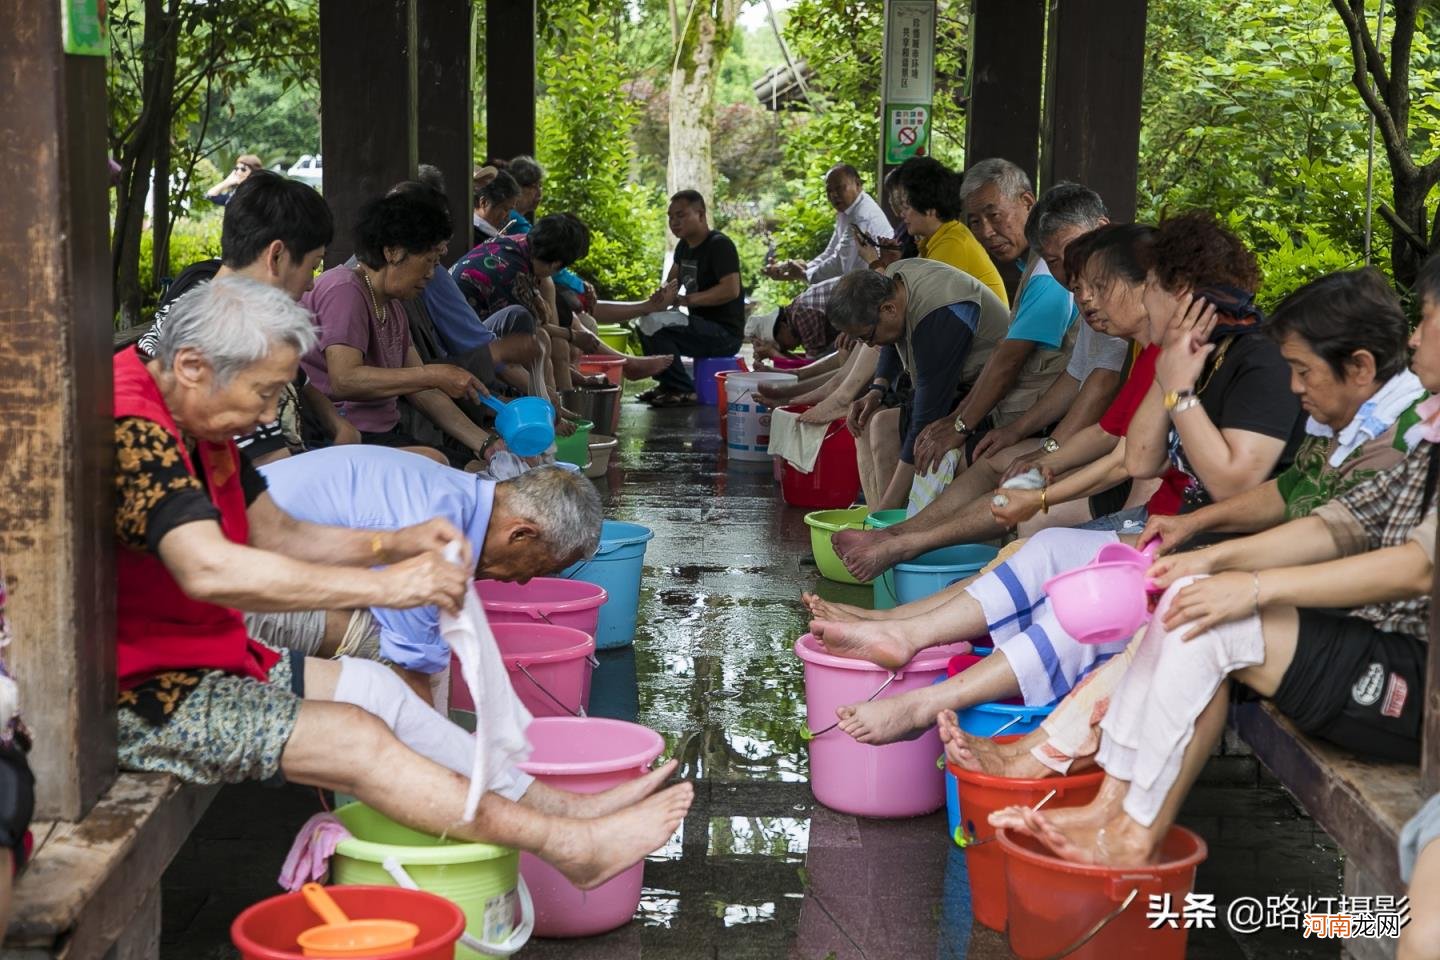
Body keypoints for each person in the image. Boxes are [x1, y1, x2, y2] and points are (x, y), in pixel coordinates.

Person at [114, 275, 693, 891]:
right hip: (134, 690)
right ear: (193, 365)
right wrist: (388, 587)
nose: (265, 416)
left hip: (192, 649)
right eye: (262, 393)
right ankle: (569, 845)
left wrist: (396, 545)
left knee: (375, 693)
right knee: (357, 741)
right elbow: (208, 567)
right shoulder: (136, 430)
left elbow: (279, 533)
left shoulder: (198, 419)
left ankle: (566, 809)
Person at [988, 260, 1440, 867]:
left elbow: (1417, 569)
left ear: (1358, 367)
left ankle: (1133, 828)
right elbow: (1339, 524)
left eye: (1430, 320)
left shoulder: (1405, 429)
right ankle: (1112, 807)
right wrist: (1209, 556)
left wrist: (1246, 586)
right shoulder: (1422, 432)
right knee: (1184, 600)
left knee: (1205, 625)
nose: (1416, 336)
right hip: (1382, 640)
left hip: (1414, 676)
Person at [806, 212, 1305, 746]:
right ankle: (904, 631)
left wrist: (1177, 391)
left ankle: (927, 702)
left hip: (1215, 549)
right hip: (1178, 533)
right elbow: (1138, 455)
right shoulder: (1184, 357)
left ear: (1179, 292)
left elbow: (1228, 483)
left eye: (1141, 287)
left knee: (1083, 594)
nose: (1088, 298)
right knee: (1044, 548)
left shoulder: (1256, 358)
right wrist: (1048, 477)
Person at [834, 188, 1126, 579]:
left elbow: (1100, 394)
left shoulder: (1117, 296)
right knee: (992, 461)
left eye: (994, 214)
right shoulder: (1091, 292)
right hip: (1103, 440)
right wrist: (1016, 433)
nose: (1073, 277)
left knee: (1021, 488)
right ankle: (898, 536)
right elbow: (1078, 377)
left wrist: (1049, 451)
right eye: (1058, 261)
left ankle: (901, 541)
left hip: (1113, 452)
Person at [258, 446, 601, 693]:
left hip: (272, 556)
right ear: (521, 534)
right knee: (385, 648)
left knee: (430, 636)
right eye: (539, 566)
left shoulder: (456, 491)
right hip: (235, 586)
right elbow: (413, 671)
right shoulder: (435, 535)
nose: (526, 580)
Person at [138, 170, 353, 464]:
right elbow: (269, 472)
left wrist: (337, 423)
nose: (311, 283)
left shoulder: (228, 309)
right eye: (313, 265)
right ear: (276, 256)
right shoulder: (224, 332)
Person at [301, 188, 502, 468]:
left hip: (386, 437)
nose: (432, 274)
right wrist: (433, 373)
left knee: (480, 469)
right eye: (428, 261)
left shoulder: (394, 306)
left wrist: (486, 444)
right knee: (454, 471)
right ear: (393, 252)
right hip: (344, 440)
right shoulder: (344, 289)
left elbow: (424, 391)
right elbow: (344, 379)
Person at [907, 174, 1091, 479]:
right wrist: (957, 420)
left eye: (994, 215)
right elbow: (1072, 373)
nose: (987, 232)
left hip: (1039, 421)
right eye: (976, 221)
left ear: (1027, 203)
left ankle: (895, 523)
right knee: (911, 434)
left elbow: (1009, 360)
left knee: (951, 461)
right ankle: (891, 523)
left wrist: (961, 427)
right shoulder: (1039, 265)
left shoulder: (1050, 274)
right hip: (1019, 418)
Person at [831, 259, 1012, 511]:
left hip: (997, 400)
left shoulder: (939, 316)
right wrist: (878, 388)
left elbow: (925, 418)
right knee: (878, 422)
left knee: (908, 437)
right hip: (961, 390)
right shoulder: (893, 281)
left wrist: (886, 511)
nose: (871, 345)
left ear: (889, 310)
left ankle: (891, 526)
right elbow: (892, 338)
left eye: (867, 337)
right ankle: (883, 523)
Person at [635, 190, 746, 407]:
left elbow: (730, 289)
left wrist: (688, 300)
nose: (674, 222)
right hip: (699, 328)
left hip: (724, 334)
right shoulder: (684, 246)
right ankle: (668, 384)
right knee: (646, 321)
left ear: (701, 215)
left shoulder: (719, 245)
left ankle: (682, 389)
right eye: (670, 217)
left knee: (657, 327)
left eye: (681, 215)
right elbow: (671, 284)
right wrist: (659, 299)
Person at [859, 156, 1006, 305]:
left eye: (907, 206)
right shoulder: (936, 239)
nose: (901, 213)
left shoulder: (952, 244)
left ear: (929, 207)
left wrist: (874, 262)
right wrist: (893, 264)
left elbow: (906, 304)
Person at [762, 164, 894, 284]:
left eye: (839, 188)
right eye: (829, 191)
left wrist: (804, 274)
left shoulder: (861, 216)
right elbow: (831, 251)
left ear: (858, 184)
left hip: (872, 285)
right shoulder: (847, 210)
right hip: (857, 280)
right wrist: (805, 267)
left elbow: (840, 263)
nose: (833, 195)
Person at [746, 277, 841, 361]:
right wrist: (775, 353)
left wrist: (773, 354)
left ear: (782, 326)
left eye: (783, 346)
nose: (790, 349)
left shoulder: (802, 316)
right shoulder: (797, 310)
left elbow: (814, 368)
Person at [473, 167, 520, 240]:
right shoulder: (476, 237)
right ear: (484, 202)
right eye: (505, 209)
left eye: (510, 210)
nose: (508, 217)